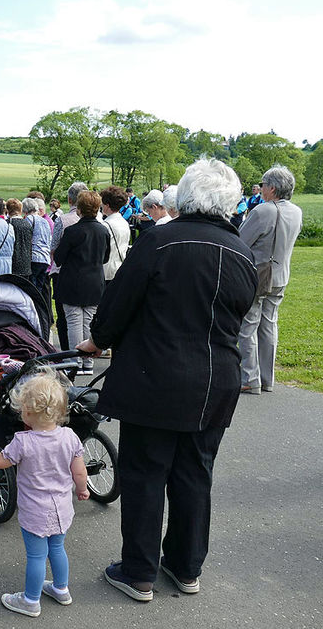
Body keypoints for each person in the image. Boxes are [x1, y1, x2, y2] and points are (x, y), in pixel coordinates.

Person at [77, 158, 256, 603]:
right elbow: (239, 310)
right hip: (215, 379)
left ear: (187, 197)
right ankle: (185, 565)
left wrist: (97, 339)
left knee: (145, 472)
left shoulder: (158, 241)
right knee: (195, 473)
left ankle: (139, 570)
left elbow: (117, 304)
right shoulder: (241, 252)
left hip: (154, 376)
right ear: (230, 202)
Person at [0, 371, 89, 617]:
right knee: (57, 548)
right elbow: (79, 471)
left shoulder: (23, 442)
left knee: (36, 555)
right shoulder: (70, 437)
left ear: (30, 413)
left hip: (36, 511)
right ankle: (61, 588)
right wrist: (83, 489)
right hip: (62, 509)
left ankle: (30, 601)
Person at [238, 165, 303, 395]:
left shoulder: (263, 211)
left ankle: (250, 377)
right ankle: (267, 378)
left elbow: (241, 241)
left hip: (258, 274)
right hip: (281, 275)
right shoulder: (297, 211)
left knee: (248, 325)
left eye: (263, 185)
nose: (261, 188)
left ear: (272, 188)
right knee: (269, 324)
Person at [54, 190, 108, 375]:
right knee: (88, 321)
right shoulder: (103, 230)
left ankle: (74, 361)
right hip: (95, 281)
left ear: (79, 208)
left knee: (74, 321)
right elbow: (105, 257)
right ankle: (88, 362)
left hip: (73, 281)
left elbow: (59, 258)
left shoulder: (72, 231)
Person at [50, 182, 89, 350]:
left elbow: (54, 249)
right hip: (90, 274)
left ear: (69, 200)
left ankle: (67, 353)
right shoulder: (99, 223)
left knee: (66, 318)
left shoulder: (63, 220)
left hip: (63, 273)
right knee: (86, 316)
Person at [100, 186, 130, 284]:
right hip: (121, 267)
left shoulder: (106, 225)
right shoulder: (124, 223)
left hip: (106, 270)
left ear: (107, 205)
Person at [6, 198, 32, 277]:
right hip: (26, 263)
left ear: (8, 210)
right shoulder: (27, 224)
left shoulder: (7, 224)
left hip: (12, 263)